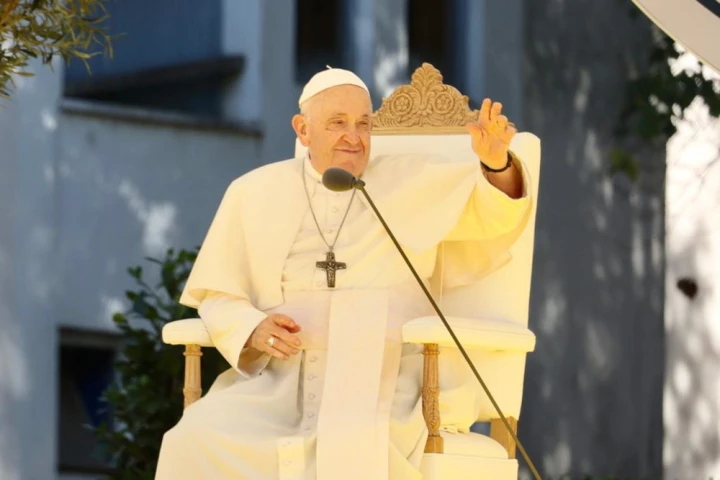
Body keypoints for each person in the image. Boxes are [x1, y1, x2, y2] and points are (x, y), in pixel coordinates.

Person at [155, 67, 534, 480]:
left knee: (350, 445)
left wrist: (496, 163)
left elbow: (492, 215)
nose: (353, 137)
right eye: (337, 123)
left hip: (388, 377)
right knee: (190, 438)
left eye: (363, 124)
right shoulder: (253, 191)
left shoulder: (411, 178)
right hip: (280, 381)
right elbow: (218, 294)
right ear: (303, 130)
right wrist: (251, 328)